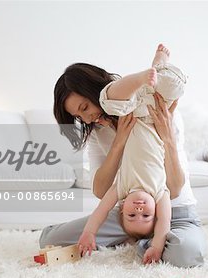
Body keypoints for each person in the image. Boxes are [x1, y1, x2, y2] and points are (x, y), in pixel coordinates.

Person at [41, 44, 206, 267]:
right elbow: (101, 191)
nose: (87, 119)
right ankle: (142, 238)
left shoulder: (159, 112)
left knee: (185, 254)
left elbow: (174, 188)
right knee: (50, 239)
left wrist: (167, 138)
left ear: (94, 91)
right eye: (79, 116)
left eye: (85, 107)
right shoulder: (98, 131)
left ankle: (144, 243)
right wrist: (118, 142)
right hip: (127, 217)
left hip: (174, 214)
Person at [77, 45, 188, 264]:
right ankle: (159, 63)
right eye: (146, 216)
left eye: (132, 215)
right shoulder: (160, 193)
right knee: (174, 85)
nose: (139, 209)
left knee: (108, 99)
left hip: (129, 112)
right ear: (155, 211)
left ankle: (141, 78)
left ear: (121, 209)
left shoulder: (121, 188)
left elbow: (100, 210)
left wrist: (89, 233)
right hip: (154, 119)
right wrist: (157, 246)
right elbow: (165, 223)